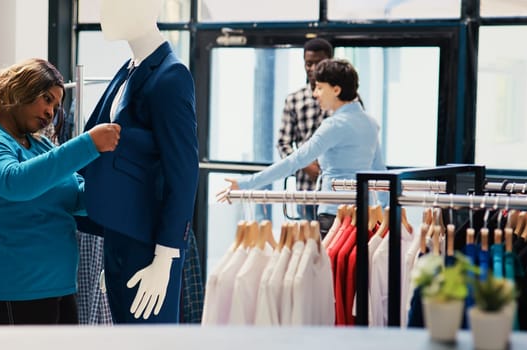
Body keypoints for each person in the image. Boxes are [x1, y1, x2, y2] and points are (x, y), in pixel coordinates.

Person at [0, 58, 121, 325]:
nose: (51, 112)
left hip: (59, 289)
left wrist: (125, 184)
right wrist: (89, 143)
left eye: (56, 106)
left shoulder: (40, 145)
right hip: (10, 291)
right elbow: (16, 183)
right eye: (46, 99)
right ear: (20, 90)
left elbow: (76, 196)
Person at [79, 0, 198, 323]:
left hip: (148, 245)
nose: (103, 14)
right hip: (120, 236)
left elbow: (184, 173)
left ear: (149, 8)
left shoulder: (171, 76)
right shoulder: (130, 68)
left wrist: (165, 257)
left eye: (113, 5)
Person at [219, 59, 386, 237]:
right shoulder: (370, 123)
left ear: (336, 90)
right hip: (366, 215)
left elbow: (295, 161)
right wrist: (384, 214)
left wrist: (245, 183)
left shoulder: (334, 125)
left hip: (335, 216)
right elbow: (380, 172)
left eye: (320, 87)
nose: (315, 94)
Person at [277, 38, 333, 220]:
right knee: (309, 242)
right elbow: (283, 143)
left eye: (318, 63)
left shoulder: (344, 99)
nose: (313, 68)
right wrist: (305, 164)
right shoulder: (294, 99)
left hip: (337, 188)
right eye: (308, 63)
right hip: (306, 189)